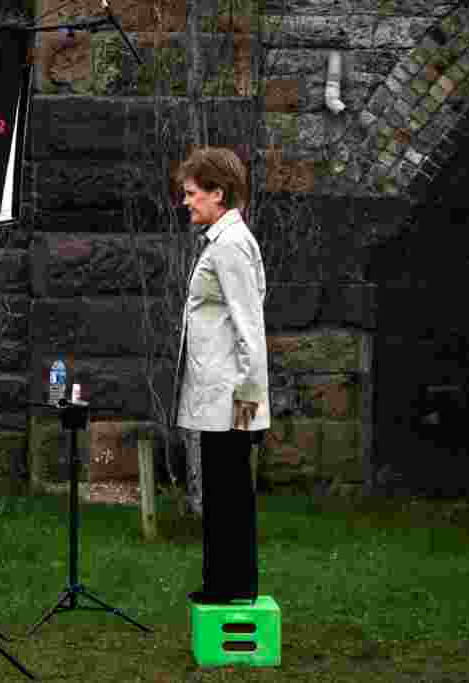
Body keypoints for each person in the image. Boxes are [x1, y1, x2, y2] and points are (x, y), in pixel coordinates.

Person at [172, 147, 270, 605]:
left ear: (219, 193)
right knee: (224, 495)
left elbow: (250, 327)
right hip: (221, 399)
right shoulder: (224, 241)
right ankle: (225, 584)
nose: (187, 201)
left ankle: (232, 587)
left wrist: (248, 408)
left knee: (230, 497)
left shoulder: (231, 246)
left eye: (192, 193)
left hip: (232, 401)